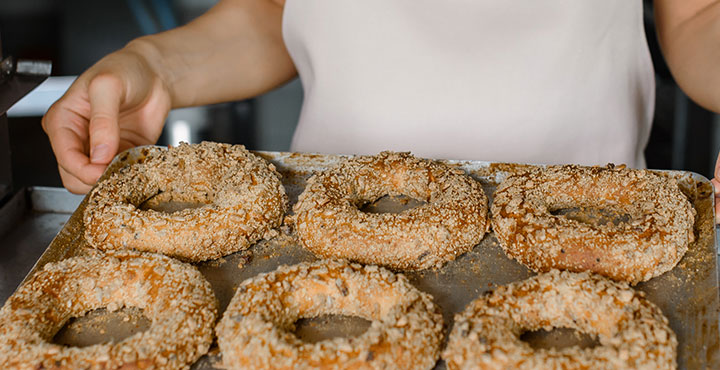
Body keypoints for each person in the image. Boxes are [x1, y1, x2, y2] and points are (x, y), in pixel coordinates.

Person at [42, 0, 720, 222]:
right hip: (330, 232)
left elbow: (695, 15)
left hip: (598, 231)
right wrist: (157, 67)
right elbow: (276, 11)